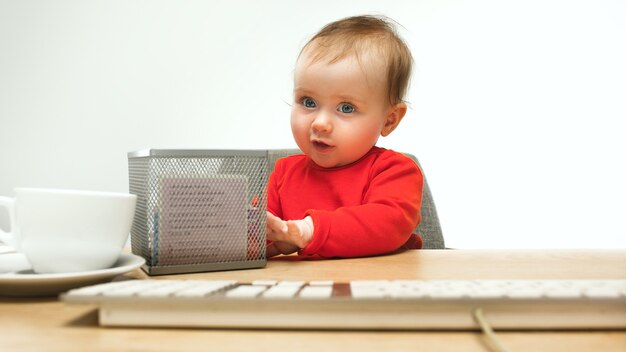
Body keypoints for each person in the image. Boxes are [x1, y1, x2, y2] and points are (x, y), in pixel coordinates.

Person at [265, 15, 423, 258]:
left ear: (389, 120)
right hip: (300, 292)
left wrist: (310, 230)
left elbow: (387, 224)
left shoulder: (395, 171)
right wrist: (268, 239)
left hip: (374, 290)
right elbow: (253, 238)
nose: (320, 123)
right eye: (308, 102)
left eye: (346, 108)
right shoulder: (283, 175)